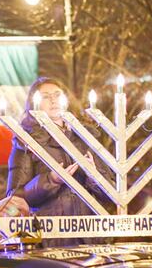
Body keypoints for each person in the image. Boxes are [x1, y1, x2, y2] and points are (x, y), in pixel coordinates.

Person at [6, 77, 105, 246]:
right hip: (50, 240)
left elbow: (112, 194)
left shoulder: (86, 139)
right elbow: (13, 199)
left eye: (57, 94)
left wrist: (94, 176)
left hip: (92, 238)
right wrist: (50, 180)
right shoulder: (26, 143)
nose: (53, 99)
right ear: (34, 105)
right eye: (45, 96)